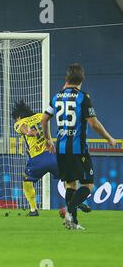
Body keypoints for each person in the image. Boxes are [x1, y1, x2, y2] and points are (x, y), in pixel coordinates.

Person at [41, 64, 117, 230]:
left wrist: (48, 139)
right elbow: (93, 123)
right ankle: (69, 211)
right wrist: (109, 138)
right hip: (78, 149)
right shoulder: (83, 97)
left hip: (61, 148)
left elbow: (44, 120)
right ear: (82, 79)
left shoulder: (56, 97)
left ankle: (73, 222)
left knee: (71, 185)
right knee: (88, 185)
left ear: (66, 79)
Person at [11, 100, 60, 216]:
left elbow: (23, 127)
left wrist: (28, 132)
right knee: (68, 178)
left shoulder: (19, 122)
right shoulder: (40, 115)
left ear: (18, 117)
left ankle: (33, 209)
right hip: (53, 154)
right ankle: (76, 201)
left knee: (27, 181)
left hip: (37, 160)